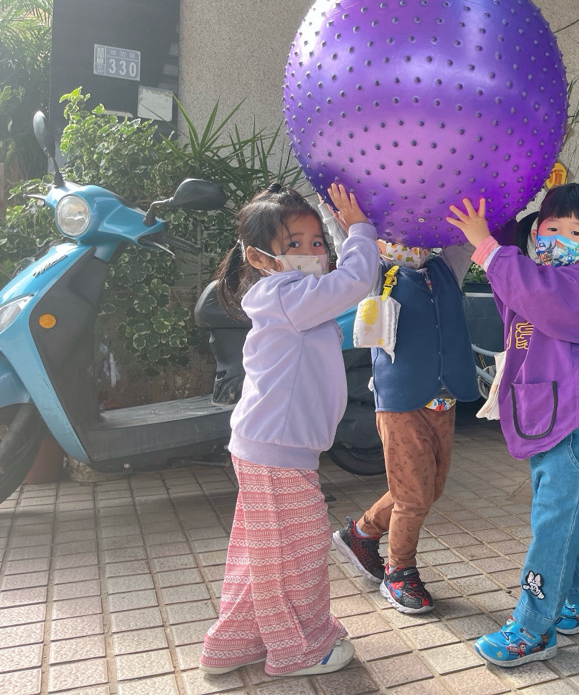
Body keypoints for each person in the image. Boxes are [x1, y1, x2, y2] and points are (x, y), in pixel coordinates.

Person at [198, 182, 379, 677]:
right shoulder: (286, 295)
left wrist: (338, 224)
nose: (312, 252)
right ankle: (300, 649)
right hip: (275, 451)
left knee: (264, 551)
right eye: (294, 244)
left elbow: (347, 283)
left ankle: (233, 644)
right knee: (296, 553)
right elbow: (355, 278)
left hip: (270, 447)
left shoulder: (293, 296)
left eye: (317, 242)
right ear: (260, 258)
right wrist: (360, 229)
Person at [446, 183, 579, 667]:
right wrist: (497, 218)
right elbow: (515, 279)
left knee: (553, 526)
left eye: (577, 232)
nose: (562, 238)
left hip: (576, 427)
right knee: (563, 518)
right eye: (552, 227)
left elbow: (535, 293)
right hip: (545, 417)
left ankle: (533, 627)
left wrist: (488, 249)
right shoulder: (531, 273)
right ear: (537, 232)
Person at [326, 222, 479, 614]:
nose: (409, 241)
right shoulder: (375, 272)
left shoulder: (446, 267)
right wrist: (338, 212)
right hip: (399, 400)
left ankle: (362, 533)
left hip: (443, 398)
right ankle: (399, 571)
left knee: (428, 487)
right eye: (397, 233)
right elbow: (348, 243)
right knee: (414, 493)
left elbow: (466, 235)